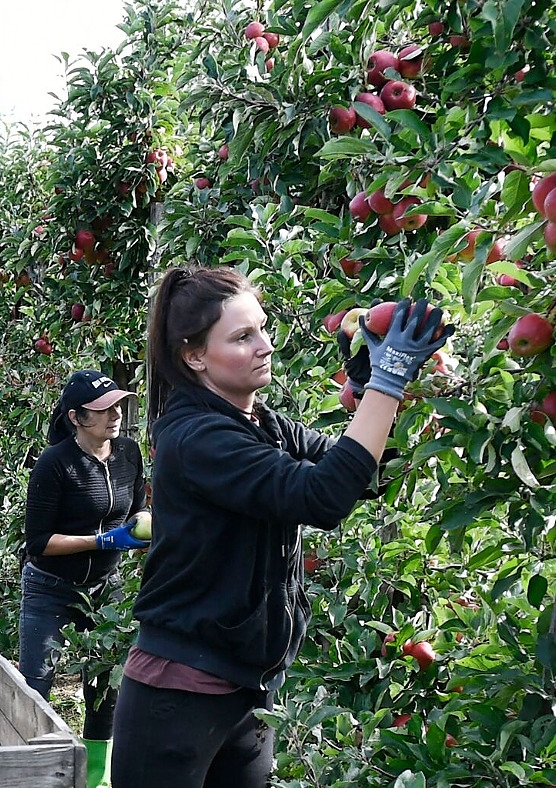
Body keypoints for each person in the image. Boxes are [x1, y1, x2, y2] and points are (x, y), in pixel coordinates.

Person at [110, 266, 453, 788]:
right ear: (195, 356)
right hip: (179, 697)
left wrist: (364, 389)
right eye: (242, 337)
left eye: (263, 328)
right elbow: (322, 499)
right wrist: (388, 380)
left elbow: (364, 475)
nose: (265, 345)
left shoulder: (260, 423)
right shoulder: (196, 438)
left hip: (248, 692)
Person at [20, 369, 149, 788]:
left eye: (116, 405)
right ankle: (28, 771)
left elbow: (138, 509)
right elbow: (38, 541)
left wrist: (142, 528)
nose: (114, 414)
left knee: (105, 680)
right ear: (76, 418)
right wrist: (101, 540)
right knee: (36, 682)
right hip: (50, 587)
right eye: (101, 410)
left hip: (104, 590)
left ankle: (96, 776)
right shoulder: (55, 463)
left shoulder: (128, 453)